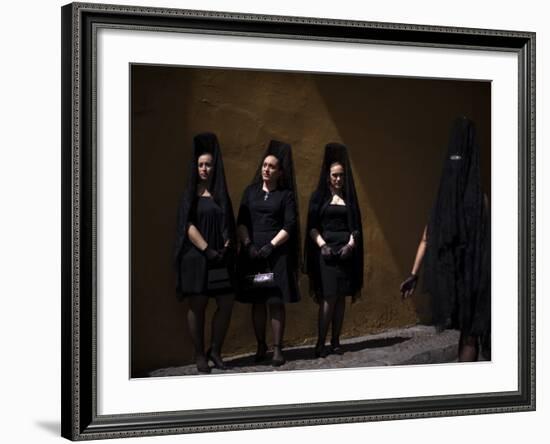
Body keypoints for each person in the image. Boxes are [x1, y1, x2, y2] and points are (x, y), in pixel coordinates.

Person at [400, 116, 491, 362]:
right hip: (476, 278)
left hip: (455, 280)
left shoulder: (444, 199)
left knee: (466, 335)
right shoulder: (478, 199)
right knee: (471, 336)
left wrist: (414, 273)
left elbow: (425, 238)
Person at [174, 132, 236, 374]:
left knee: (227, 301)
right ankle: (200, 354)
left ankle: (216, 350)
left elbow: (228, 222)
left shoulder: (220, 194)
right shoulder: (190, 194)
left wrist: (227, 244)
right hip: (197, 257)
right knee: (198, 304)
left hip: (220, 257)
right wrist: (207, 249)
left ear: (214, 167)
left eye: (208, 165)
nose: (204, 169)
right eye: (200, 165)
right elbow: (186, 226)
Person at [236, 140, 301, 367]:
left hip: (275, 257)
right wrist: (249, 246)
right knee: (257, 301)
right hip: (253, 256)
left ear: (279, 172)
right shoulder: (250, 192)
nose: (266, 169)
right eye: (264, 165)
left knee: (275, 300)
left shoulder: (285, 196)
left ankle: (277, 349)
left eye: (272, 166)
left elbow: (289, 225)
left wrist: (270, 246)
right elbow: (242, 221)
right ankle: (260, 344)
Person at [304, 143, 364, 358]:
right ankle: (320, 342)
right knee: (328, 297)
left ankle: (336, 341)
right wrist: (323, 246)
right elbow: (311, 227)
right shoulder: (319, 197)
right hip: (327, 252)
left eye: (341, 175)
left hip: (345, 253)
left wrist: (350, 245)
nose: (338, 179)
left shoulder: (350, 199)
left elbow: (355, 228)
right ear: (328, 176)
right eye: (334, 175)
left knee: (341, 299)